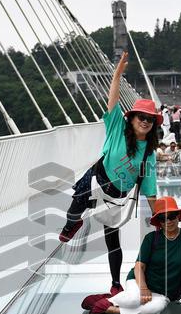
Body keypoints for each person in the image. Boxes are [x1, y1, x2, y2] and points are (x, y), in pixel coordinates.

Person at [60, 52, 160, 294]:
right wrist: (117, 74)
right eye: (141, 117)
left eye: (150, 119)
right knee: (74, 209)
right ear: (132, 118)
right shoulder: (117, 127)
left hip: (117, 195)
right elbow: (113, 101)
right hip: (97, 178)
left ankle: (115, 284)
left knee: (111, 239)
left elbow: (150, 190)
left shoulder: (149, 155)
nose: (145, 121)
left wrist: (160, 221)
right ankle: (73, 224)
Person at [81, 197, 181, 314]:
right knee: (133, 300)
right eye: (163, 218)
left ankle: (113, 309)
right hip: (140, 281)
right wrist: (143, 288)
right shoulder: (151, 238)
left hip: (165, 292)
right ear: (159, 222)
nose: (168, 221)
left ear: (178, 216)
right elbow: (139, 266)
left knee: (155, 309)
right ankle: (108, 301)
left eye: (172, 216)